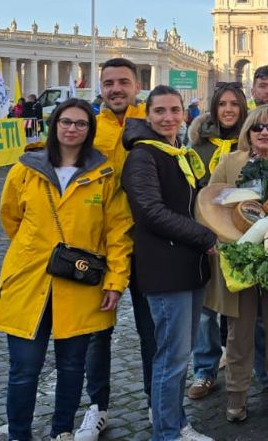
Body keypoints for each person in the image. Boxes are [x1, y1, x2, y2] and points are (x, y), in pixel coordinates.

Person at [0, 98, 134, 441]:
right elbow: (10, 216)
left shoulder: (104, 175)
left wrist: (116, 282)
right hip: (29, 280)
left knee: (72, 367)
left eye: (81, 124)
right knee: (24, 369)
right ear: (55, 124)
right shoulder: (25, 170)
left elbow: (117, 233)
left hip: (81, 280)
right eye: (66, 122)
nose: (72, 129)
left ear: (90, 131)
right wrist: (34, 250)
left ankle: (62, 431)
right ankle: (19, 435)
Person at [121, 85, 218, 441]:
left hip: (187, 265)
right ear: (147, 116)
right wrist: (205, 236)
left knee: (179, 357)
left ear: (184, 113)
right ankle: (167, 432)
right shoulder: (144, 156)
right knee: (171, 359)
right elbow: (150, 212)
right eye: (160, 111)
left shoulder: (177, 151)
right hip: (165, 269)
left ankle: (176, 423)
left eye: (174, 110)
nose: (168, 117)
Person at [207, 105, 268, 421]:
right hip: (240, 262)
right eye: (258, 127)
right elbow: (212, 204)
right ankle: (236, 398)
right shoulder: (229, 162)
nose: (264, 132)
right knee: (239, 334)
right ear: (248, 131)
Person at [75, 58, 154, 441]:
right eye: (109, 83)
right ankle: (97, 407)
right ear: (101, 87)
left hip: (146, 241)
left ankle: (157, 403)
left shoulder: (155, 122)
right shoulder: (88, 128)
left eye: (123, 82)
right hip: (100, 242)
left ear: (136, 85)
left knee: (151, 328)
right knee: (96, 331)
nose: (116, 89)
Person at [185, 82, 248, 402]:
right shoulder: (198, 147)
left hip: (240, 238)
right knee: (206, 309)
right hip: (203, 237)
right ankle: (205, 369)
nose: (227, 109)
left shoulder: (252, 145)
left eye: (234, 104)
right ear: (214, 107)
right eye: (222, 104)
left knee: (241, 308)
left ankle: (244, 368)